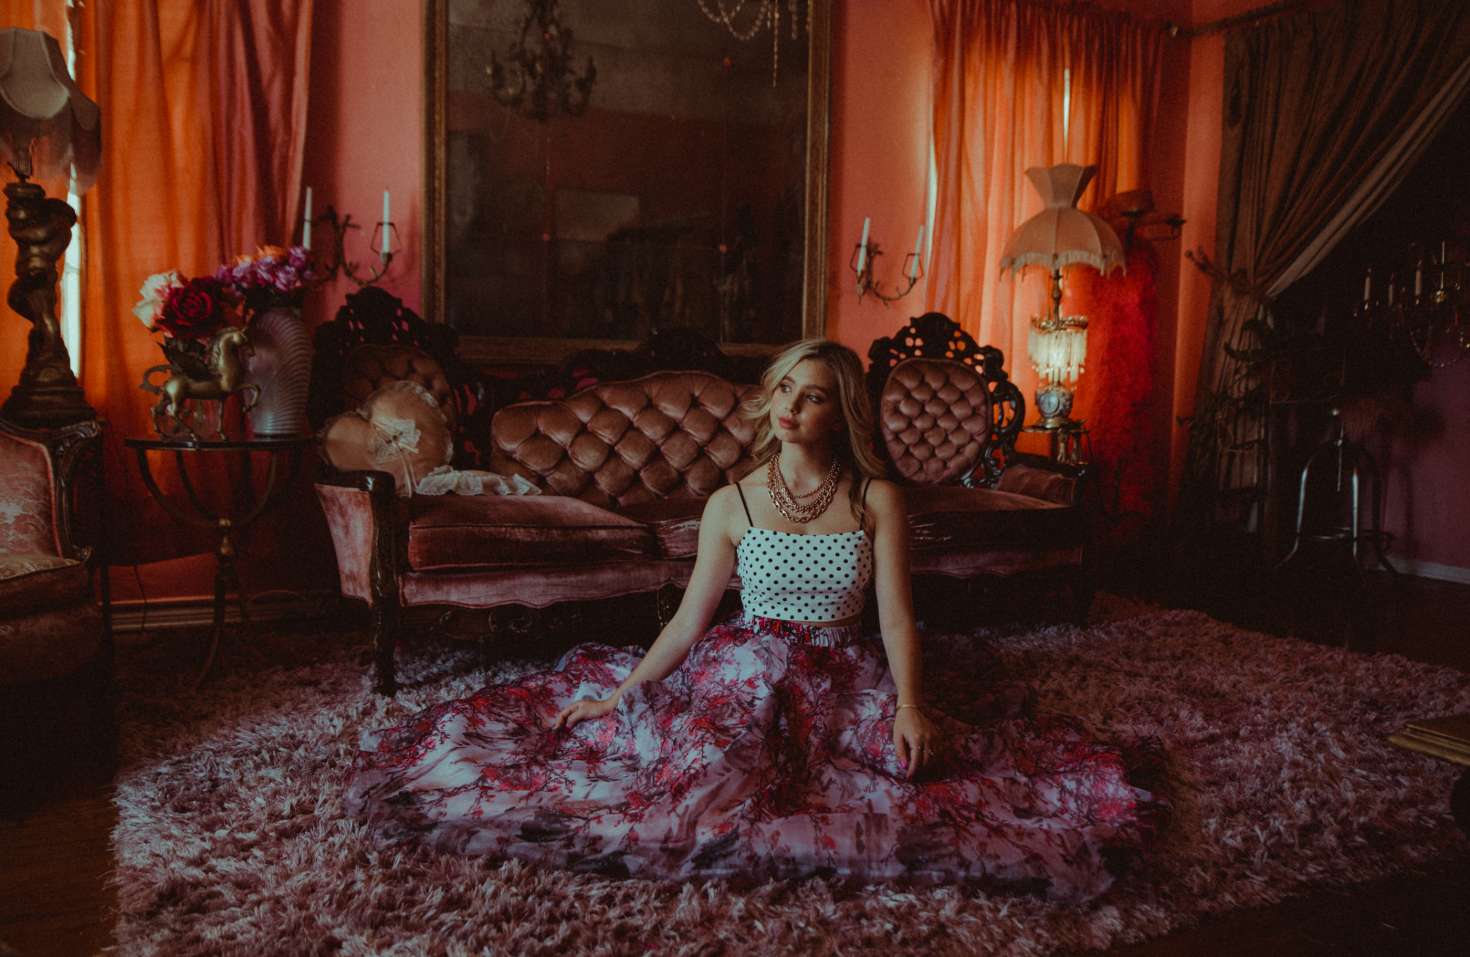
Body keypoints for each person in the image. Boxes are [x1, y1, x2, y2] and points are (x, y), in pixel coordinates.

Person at [346, 340, 1153, 900]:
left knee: (913, 776)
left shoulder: (877, 499)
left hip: (846, 672)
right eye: (785, 390)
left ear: (841, 412)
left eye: (813, 395)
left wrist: (910, 703)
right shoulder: (730, 502)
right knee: (707, 779)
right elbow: (688, 620)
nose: (791, 406)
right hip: (749, 667)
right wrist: (623, 692)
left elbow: (899, 620)